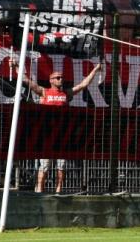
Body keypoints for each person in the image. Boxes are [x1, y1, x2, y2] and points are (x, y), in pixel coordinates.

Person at [21, 61, 104, 193]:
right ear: (51, 80)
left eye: (62, 77)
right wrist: (15, 68)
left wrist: (95, 69)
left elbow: (83, 84)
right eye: (58, 78)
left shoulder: (66, 94)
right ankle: (39, 191)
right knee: (45, 165)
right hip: (47, 136)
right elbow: (27, 81)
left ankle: (58, 190)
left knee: (62, 165)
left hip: (62, 136)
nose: (61, 80)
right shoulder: (44, 92)